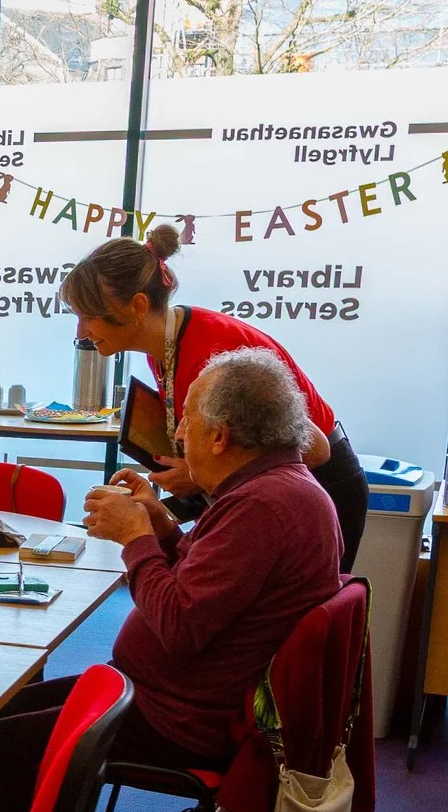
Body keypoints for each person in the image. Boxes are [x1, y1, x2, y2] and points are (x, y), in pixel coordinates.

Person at [0, 350, 341, 812]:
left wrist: (135, 537)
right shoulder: (276, 488)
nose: (176, 431)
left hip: (180, 715)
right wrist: (161, 525)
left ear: (219, 435)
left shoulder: (264, 507)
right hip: (176, 693)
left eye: (185, 417)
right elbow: (208, 586)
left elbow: (181, 625)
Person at [63, 222, 369, 571]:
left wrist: (194, 477)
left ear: (137, 306)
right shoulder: (162, 345)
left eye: (89, 317)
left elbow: (316, 448)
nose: (81, 332)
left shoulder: (217, 351)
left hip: (321, 488)